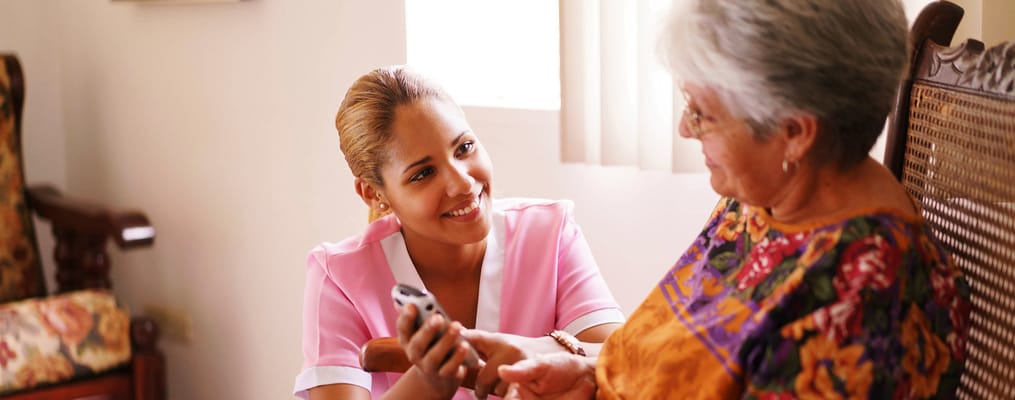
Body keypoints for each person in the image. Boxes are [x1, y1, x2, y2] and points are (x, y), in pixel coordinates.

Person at [462, 0, 971, 398]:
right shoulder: (766, 198)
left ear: (795, 133)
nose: (685, 129)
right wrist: (583, 369)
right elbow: (682, 359)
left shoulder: (863, 299)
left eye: (702, 112)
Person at [292, 65, 624, 400]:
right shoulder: (338, 276)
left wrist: (541, 349)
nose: (463, 183)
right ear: (374, 193)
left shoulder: (550, 232)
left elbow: (626, 358)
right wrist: (428, 383)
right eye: (424, 173)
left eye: (464, 148)